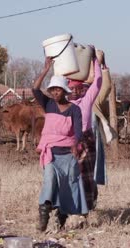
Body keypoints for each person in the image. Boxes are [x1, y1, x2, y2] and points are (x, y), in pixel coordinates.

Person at [33, 57, 88, 232]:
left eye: (58, 89)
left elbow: (78, 131)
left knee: (66, 187)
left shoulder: (74, 109)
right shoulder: (48, 104)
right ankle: (43, 217)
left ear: (64, 91)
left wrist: (76, 143)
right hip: (51, 153)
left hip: (68, 155)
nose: (55, 92)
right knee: (49, 181)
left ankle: (61, 221)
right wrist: (45, 69)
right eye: (53, 90)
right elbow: (35, 89)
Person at [68, 51, 103, 211]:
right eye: (71, 88)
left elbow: (97, 82)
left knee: (87, 175)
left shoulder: (86, 100)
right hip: (69, 140)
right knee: (72, 175)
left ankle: (88, 206)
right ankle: (73, 206)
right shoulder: (62, 105)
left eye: (77, 88)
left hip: (86, 140)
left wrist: (95, 60)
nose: (74, 91)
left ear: (82, 89)